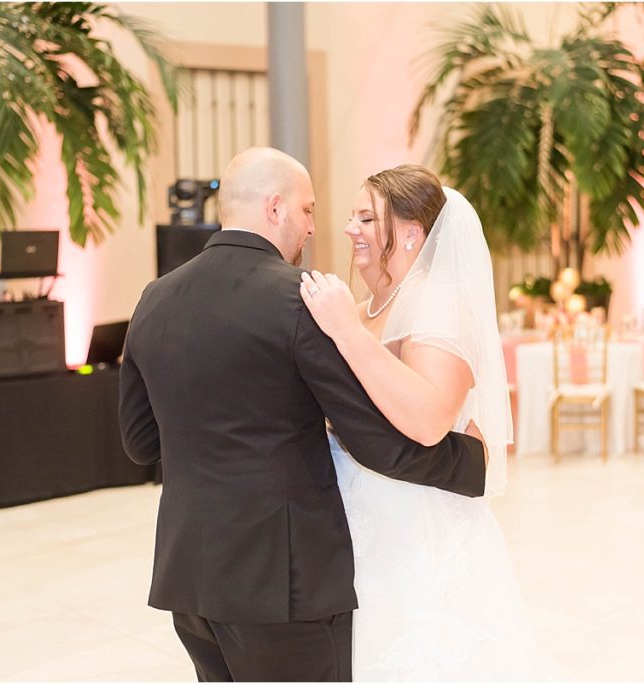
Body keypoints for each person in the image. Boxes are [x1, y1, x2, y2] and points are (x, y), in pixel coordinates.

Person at [119, 148, 487, 682]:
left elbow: (139, 443)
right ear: (275, 209)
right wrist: (468, 462)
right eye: (308, 211)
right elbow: (375, 441)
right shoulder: (303, 300)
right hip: (283, 583)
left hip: (190, 577)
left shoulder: (153, 298)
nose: (315, 228)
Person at [300, 165, 546, 680]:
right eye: (350, 217)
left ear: (413, 232)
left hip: (416, 523)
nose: (349, 230)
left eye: (366, 218)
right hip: (360, 517)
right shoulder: (368, 307)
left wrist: (347, 333)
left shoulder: (438, 302)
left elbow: (432, 419)